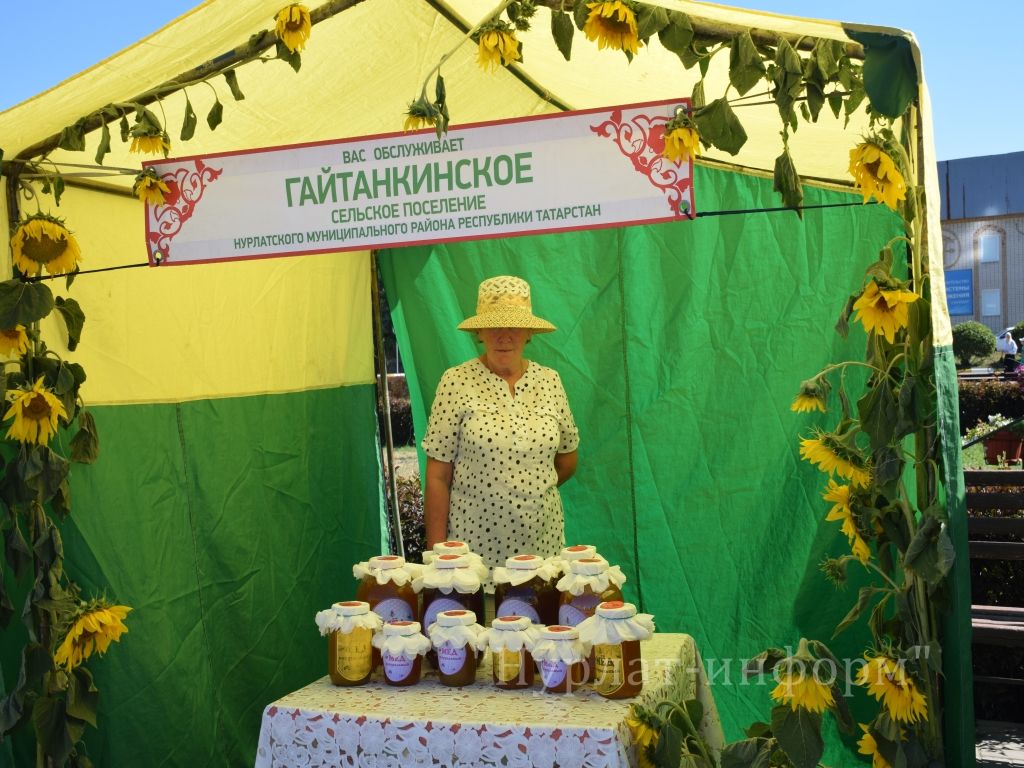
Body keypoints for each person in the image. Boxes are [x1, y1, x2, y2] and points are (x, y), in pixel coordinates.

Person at [421, 275, 579, 579]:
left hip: (542, 552)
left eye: (514, 326)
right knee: (475, 623)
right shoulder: (456, 382)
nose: (503, 335)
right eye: (494, 325)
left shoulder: (550, 381)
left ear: (529, 333)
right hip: (474, 558)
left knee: (542, 618)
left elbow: (568, 458)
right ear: (480, 331)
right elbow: (438, 476)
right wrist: (438, 559)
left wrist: (527, 490)